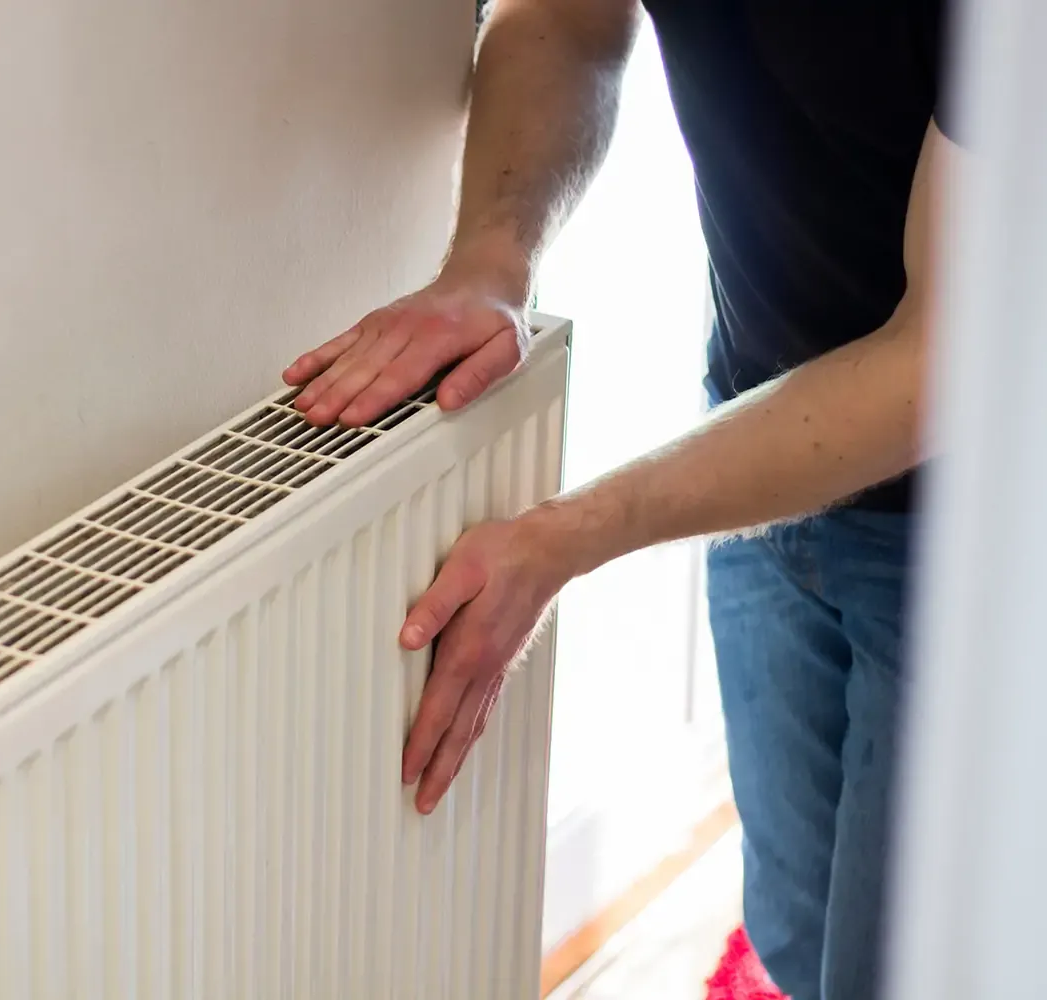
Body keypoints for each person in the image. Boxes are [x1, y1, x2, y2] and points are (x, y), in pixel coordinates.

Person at [283, 3, 961, 999]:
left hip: (990, 531)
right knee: (795, 930)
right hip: (767, 425)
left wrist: (565, 536)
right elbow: (565, 21)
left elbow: (942, 360)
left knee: (902, 969)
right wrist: (490, 260)